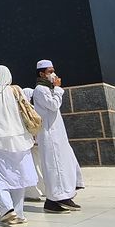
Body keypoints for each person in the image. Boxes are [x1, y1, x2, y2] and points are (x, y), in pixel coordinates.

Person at [0, 65, 39, 225]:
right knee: (20, 176)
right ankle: (17, 212)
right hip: (19, 140)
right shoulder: (15, 90)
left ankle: (7, 208)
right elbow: (26, 110)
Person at [33, 60, 84, 213]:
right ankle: (53, 200)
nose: (53, 74)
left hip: (58, 134)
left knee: (64, 164)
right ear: (42, 74)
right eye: (50, 71)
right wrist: (58, 89)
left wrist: (55, 89)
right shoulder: (40, 89)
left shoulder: (48, 89)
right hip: (50, 136)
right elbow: (53, 105)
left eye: (53, 70)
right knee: (54, 167)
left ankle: (64, 196)